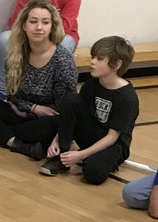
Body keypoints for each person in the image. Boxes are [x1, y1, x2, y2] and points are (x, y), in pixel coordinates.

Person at [0, 0, 78, 160]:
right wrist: (33, 108)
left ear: (52, 27)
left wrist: (36, 111)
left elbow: (64, 107)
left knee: (49, 126)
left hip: (46, 120)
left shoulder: (62, 60)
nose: (38, 27)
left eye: (45, 22)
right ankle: (15, 143)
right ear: (24, 26)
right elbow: (12, 95)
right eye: (33, 21)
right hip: (21, 112)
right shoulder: (17, 53)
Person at [39, 36, 139, 181]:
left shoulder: (127, 97)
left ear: (117, 64)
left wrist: (81, 154)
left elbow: (112, 137)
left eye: (99, 59)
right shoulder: (91, 85)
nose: (92, 62)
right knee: (70, 98)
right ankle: (61, 156)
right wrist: (57, 141)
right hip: (91, 134)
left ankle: (91, 158)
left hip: (113, 145)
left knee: (93, 174)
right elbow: (71, 115)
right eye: (93, 57)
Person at [0, 0, 80, 97]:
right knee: (3, 39)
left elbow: (62, 30)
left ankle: (59, 94)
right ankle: (2, 91)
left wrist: (46, 1)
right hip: (32, 33)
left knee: (63, 46)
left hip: (64, 35)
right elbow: (14, 24)